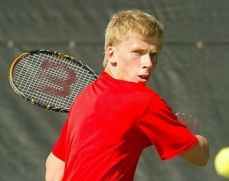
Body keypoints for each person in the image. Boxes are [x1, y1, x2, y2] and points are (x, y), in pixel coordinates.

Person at [45, 9, 210, 181]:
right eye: (138, 52)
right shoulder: (145, 101)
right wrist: (190, 133)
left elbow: (54, 167)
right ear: (111, 54)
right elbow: (200, 157)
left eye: (154, 55)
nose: (148, 63)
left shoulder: (85, 97)